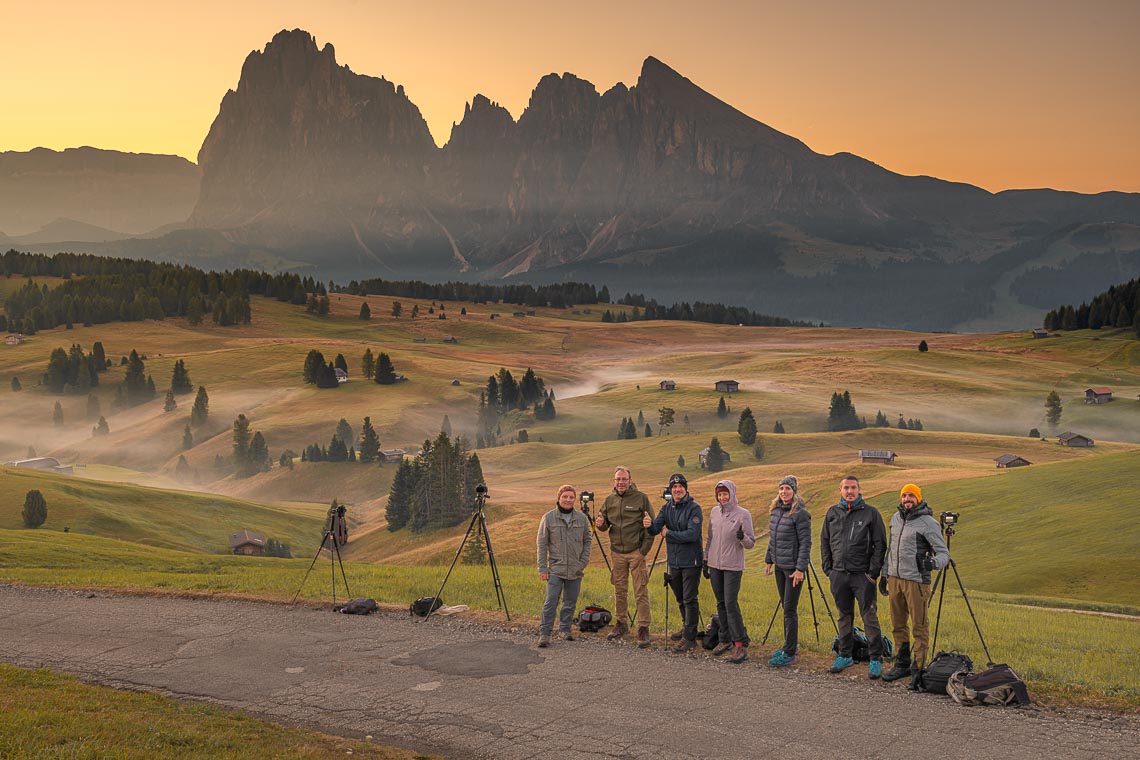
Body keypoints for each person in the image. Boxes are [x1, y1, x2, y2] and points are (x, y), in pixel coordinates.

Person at [879, 483, 950, 683]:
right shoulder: (895, 518)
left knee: (919, 626)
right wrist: (885, 574)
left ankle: (918, 669)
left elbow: (944, 553)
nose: (907, 499)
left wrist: (932, 563)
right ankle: (902, 664)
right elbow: (891, 550)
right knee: (897, 624)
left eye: (911, 496)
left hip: (917, 581)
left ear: (918, 498)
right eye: (904, 496)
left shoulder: (928, 523)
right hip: (895, 579)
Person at [820, 474, 887, 678]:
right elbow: (825, 542)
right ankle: (845, 654)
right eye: (846, 488)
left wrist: (872, 573)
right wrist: (829, 570)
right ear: (840, 490)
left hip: (862, 576)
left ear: (859, 490)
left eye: (853, 488)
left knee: (869, 616)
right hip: (839, 575)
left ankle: (876, 658)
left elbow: (880, 544)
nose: (850, 491)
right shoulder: (832, 513)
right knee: (844, 615)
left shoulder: (870, 513)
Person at [594, 466, 655, 648]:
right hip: (617, 553)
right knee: (619, 590)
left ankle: (643, 627)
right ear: (614, 482)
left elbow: (650, 526)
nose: (621, 482)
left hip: (636, 552)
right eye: (618, 479)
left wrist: (642, 551)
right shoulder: (609, 500)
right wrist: (600, 525)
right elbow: (604, 525)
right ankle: (621, 623)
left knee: (640, 591)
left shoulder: (641, 498)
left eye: (624, 479)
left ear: (630, 480)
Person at [644, 473, 703, 653]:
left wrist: (668, 534)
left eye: (680, 487)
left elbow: (692, 535)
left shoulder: (694, 508)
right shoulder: (666, 508)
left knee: (689, 598)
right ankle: (687, 628)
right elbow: (656, 529)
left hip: (691, 561)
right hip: (674, 561)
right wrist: (648, 524)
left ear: (685, 489)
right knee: (680, 598)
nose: (677, 490)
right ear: (671, 490)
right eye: (674, 487)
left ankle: (690, 637)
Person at [704, 479, 755, 663]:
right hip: (715, 565)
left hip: (733, 566)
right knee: (720, 602)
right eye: (719, 494)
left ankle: (739, 644)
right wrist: (705, 559)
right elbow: (710, 538)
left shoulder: (743, 514)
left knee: (730, 604)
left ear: (732, 494)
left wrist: (742, 538)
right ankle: (724, 638)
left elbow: (750, 543)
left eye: (725, 494)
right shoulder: (714, 512)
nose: (723, 497)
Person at [764, 475, 811, 667]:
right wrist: (769, 560)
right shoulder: (775, 512)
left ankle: (790, 652)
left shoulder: (800, 514)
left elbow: (805, 543)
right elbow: (772, 539)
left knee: (790, 610)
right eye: (781, 488)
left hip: (793, 570)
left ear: (794, 491)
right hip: (779, 567)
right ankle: (789, 645)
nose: (784, 492)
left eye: (788, 489)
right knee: (786, 607)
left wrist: (800, 569)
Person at [536, 484, 592, 648]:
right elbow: (542, 544)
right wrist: (542, 568)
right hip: (555, 568)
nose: (568, 500)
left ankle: (564, 630)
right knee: (551, 601)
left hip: (575, 569)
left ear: (575, 499)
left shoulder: (582, 519)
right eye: (565, 497)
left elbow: (588, 540)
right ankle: (545, 633)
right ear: (559, 498)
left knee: (570, 601)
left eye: (571, 497)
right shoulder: (548, 518)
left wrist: (583, 562)